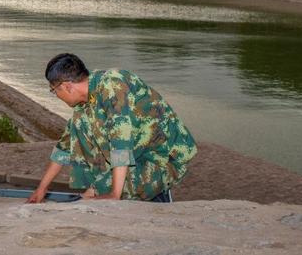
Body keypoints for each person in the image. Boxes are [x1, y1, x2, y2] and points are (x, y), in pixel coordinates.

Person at [28, 53, 197, 203]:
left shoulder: (112, 84)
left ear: (67, 86)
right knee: (79, 127)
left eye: (53, 90)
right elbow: (64, 147)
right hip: (137, 156)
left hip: (163, 158)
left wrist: (114, 194)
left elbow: (120, 139)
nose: (55, 95)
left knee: (95, 193)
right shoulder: (87, 100)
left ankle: (155, 196)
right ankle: (126, 192)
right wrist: (42, 188)